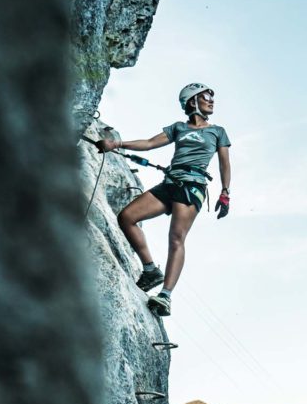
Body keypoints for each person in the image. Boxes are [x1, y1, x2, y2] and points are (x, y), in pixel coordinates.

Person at [95, 83, 231, 316]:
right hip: (170, 183)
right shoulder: (178, 128)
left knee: (176, 237)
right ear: (192, 102)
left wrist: (225, 192)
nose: (212, 100)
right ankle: (150, 270)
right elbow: (148, 144)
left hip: (192, 186)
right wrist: (115, 144)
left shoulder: (217, 131)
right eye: (207, 96)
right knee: (127, 217)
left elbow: (224, 163)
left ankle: (165, 296)